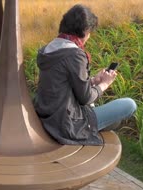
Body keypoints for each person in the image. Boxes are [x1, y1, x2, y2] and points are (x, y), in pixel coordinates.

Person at [33, 4, 137, 145]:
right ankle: (95, 128)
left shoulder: (49, 49)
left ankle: (100, 124)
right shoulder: (74, 55)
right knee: (129, 105)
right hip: (65, 124)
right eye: (90, 33)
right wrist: (105, 83)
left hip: (47, 115)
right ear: (86, 30)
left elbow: (61, 83)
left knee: (112, 118)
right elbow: (86, 98)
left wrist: (93, 81)